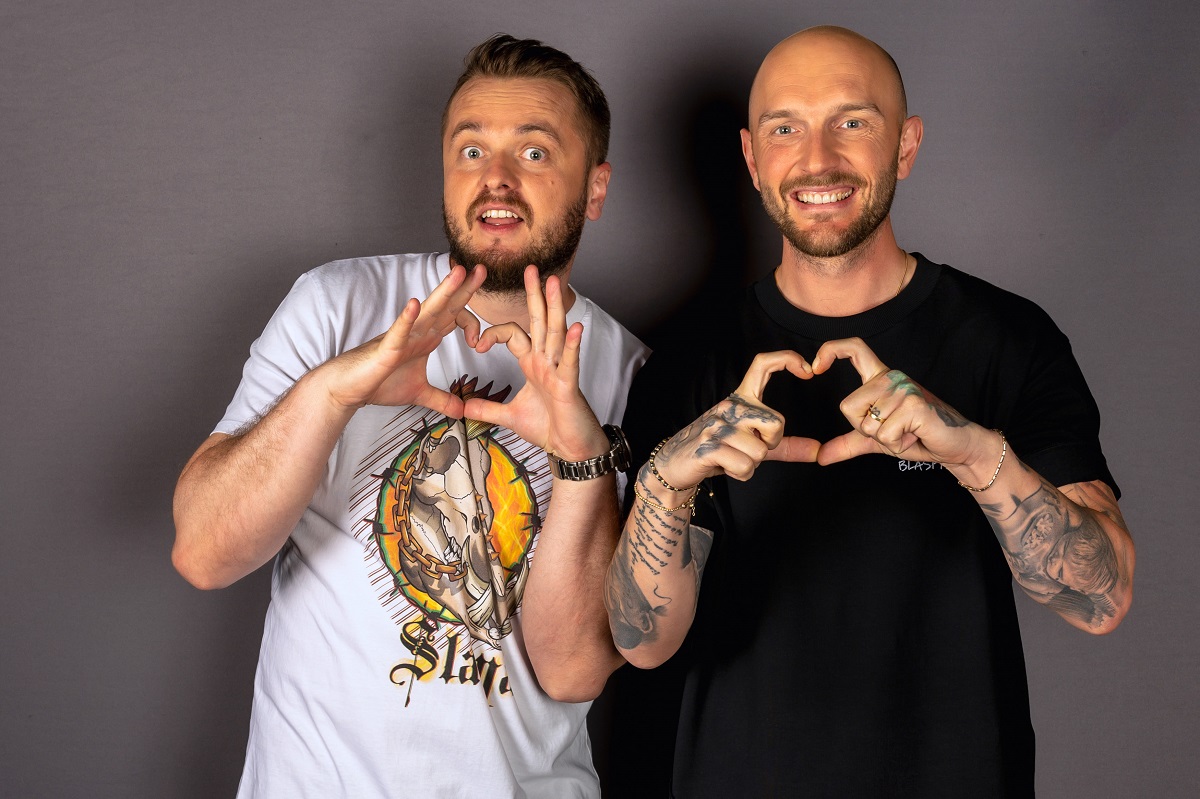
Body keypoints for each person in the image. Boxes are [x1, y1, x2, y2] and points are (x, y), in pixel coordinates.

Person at [603, 26, 1135, 796]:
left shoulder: (1006, 338)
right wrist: (664, 483)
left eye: (852, 122)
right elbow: (642, 642)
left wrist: (976, 455)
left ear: (905, 146)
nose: (817, 159)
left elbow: (1102, 597)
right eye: (786, 128)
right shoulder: (690, 358)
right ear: (752, 159)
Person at [172, 34, 647, 798]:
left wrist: (580, 457)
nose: (495, 178)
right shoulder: (336, 306)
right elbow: (204, 551)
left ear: (595, 188)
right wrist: (334, 393)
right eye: (470, 150)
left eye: (533, 152)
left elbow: (572, 669)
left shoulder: (633, 374)